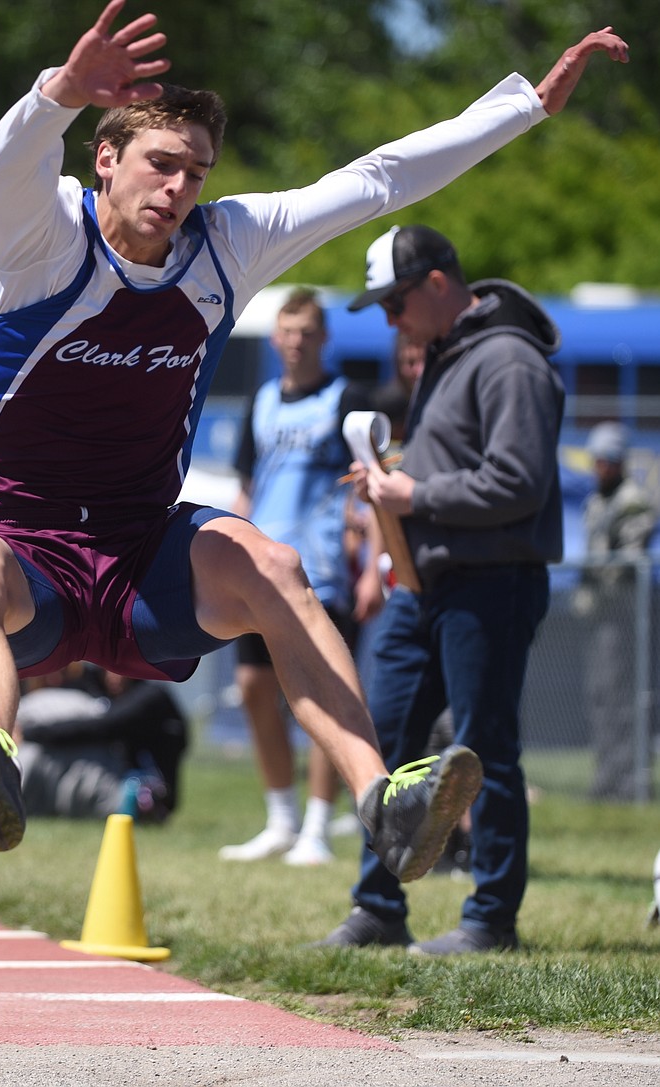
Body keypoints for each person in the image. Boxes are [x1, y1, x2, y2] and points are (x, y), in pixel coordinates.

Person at [0, 0, 628, 869]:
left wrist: (522, 106)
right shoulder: (40, 243)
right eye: (161, 164)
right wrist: (61, 91)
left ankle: (385, 802)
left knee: (276, 564)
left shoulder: (228, 248)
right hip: (29, 554)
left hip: (143, 555)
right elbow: (9, 163)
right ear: (104, 159)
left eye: (197, 172)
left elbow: (378, 180)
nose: (179, 189)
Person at [319, 222, 566, 955]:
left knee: (483, 747)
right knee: (383, 734)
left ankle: (492, 918)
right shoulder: (448, 354)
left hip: (492, 581)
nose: (391, 321)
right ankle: (378, 909)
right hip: (423, 585)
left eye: (394, 304)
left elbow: (517, 483)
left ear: (435, 284)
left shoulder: (508, 359)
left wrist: (413, 493)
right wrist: (389, 480)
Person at [219, 287, 380, 866]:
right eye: (287, 331)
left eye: (306, 332)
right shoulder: (261, 402)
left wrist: (372, 567)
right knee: (256, 691)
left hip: (323, 573)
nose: (295, 342)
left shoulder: (346, 399)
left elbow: (371, 483)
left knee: (326, 694)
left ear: (323, 338)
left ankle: (317, 826)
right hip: (259, 575)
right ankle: (280, 819)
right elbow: (245, 487)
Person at [574, 421, 657, 802]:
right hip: (600, 618)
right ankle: (606, 778)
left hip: (625, 617)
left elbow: (626, 558)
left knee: (624, 702)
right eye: (596, 461)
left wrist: (599, 571)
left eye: (606, 461)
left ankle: (626, 783)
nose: (599, 468)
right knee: (601, 699)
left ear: (619, 462)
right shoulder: (597, 502)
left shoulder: (633, 500)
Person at [16, 667, 189, 822]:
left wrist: (30, 733)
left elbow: (103, 726)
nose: (115, 677)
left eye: (122, 670)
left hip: (148, 794)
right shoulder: (100, 689)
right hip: (122, 779)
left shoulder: (151, 697)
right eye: (110, 669)